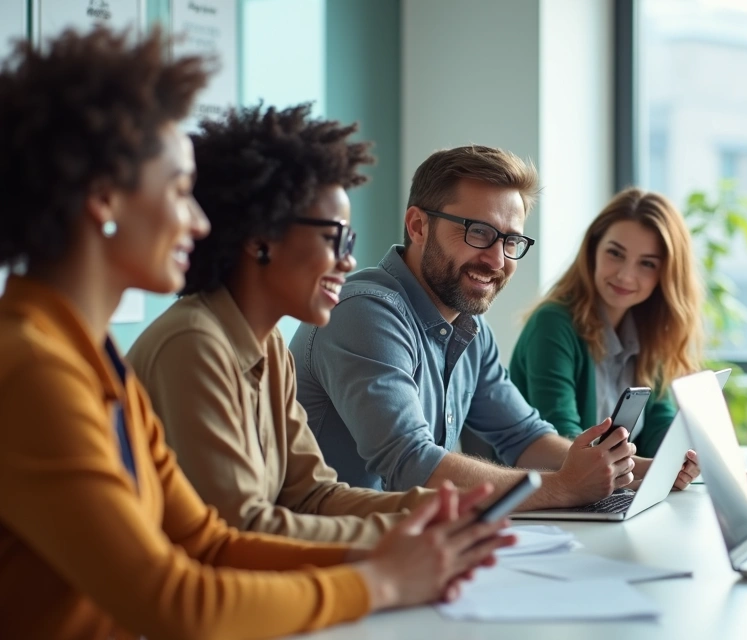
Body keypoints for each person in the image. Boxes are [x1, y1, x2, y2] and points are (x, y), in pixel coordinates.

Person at [0, 27, 512, 639]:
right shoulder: (36, 367)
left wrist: (425, 526)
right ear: (104, 198)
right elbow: (172, 597)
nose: (197, 220)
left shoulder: (95, 355)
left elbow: (208, 540)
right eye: (180, 192)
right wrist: (381, 580)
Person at [290, 146, 698, 509]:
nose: (497, 260)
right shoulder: (365, 312)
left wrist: (647, 468)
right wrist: (565, 487)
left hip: (417, 549)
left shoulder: (470, 329)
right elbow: (410, 463)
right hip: (335, 554)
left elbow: (525, 438)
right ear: (418, 226)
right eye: (479, 232)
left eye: (510, 241)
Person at [126, 102, 440, 545]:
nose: (348, 260)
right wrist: (406, 531)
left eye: (349, 241)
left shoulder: (269, 345)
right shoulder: (193, 344)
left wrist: (436, 508)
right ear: (260, 238)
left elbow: (310, 495)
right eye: (334, 238)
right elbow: (241, 528)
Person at [510, 187, 703, 466]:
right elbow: (564, 443)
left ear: (666, 274)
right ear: (593, 250)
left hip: (605, 495)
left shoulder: (649, 330)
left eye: (647, 264)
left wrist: (681, 459)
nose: (625, 275)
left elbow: (659, 426)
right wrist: (649, 470)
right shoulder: (552, 324)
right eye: (615, 253)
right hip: (545, 500)